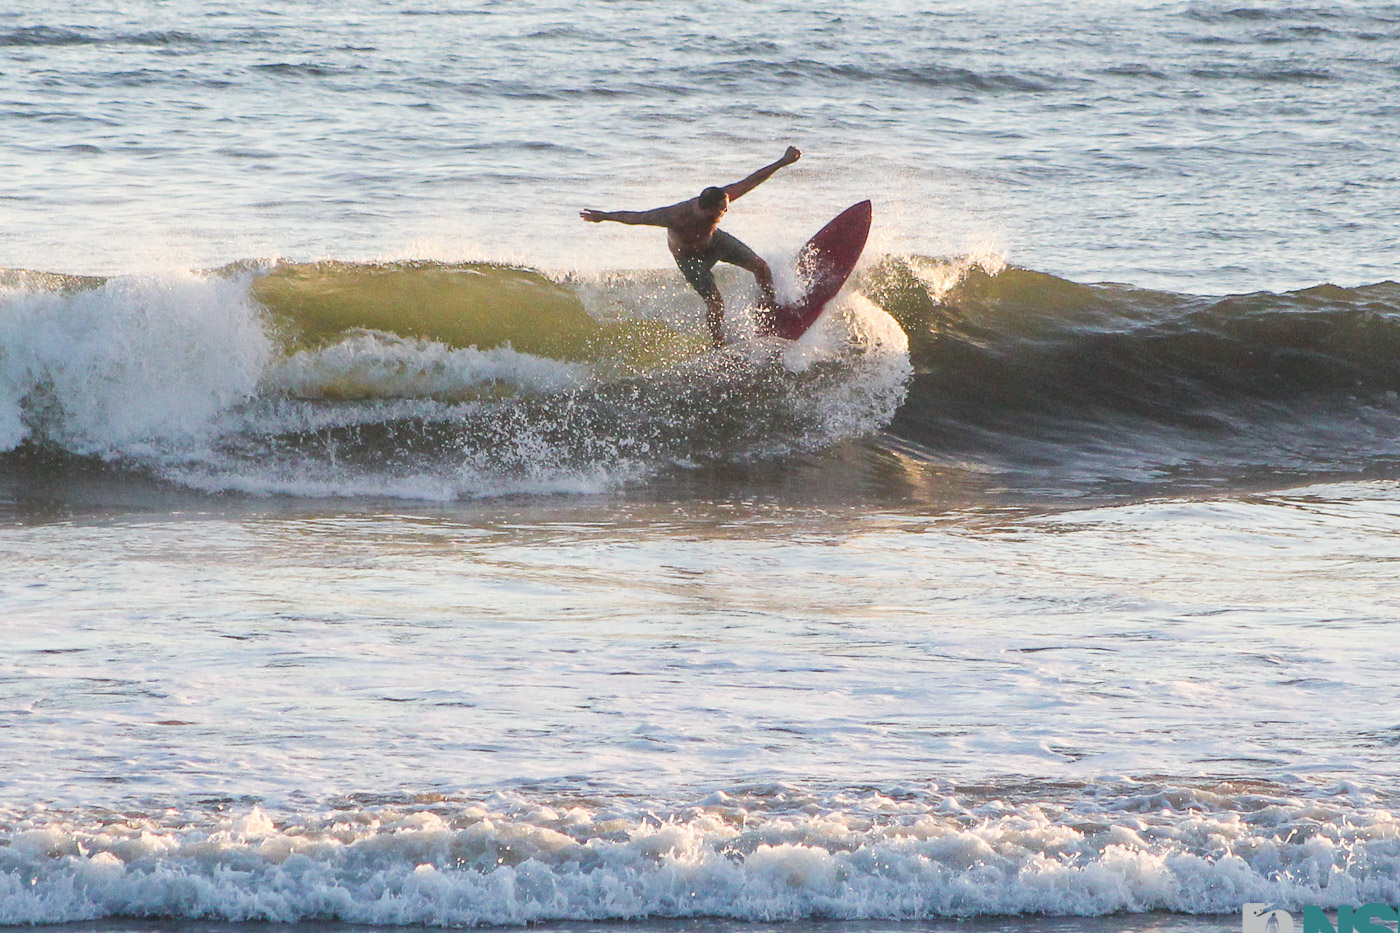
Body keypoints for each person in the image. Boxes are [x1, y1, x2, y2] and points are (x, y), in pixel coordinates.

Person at [580, 146, 802, 346]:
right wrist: (604, 216)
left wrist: (783, 161)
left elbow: (752, 180)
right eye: (721, 210)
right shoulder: (674, 216)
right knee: (716, 304)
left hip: (715, 243)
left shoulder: (721, 198)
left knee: (761, 268)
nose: (726, 211)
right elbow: (635, 217)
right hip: (690, 259)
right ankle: (718, 344)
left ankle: (771, 307)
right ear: (705, 209)